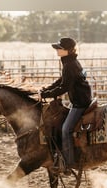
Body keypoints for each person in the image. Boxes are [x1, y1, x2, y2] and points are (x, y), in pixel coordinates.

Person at [38, 37, 92, 173]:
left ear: (67, 50)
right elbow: (62, 81)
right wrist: (47, 90)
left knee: (66, 129)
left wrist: (45, 95)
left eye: (59, 48)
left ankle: (68, 163)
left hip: (80, 103)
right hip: (82, 100)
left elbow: (64, 87)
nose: (57, 50)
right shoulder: (71, 63)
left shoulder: (70, 65)